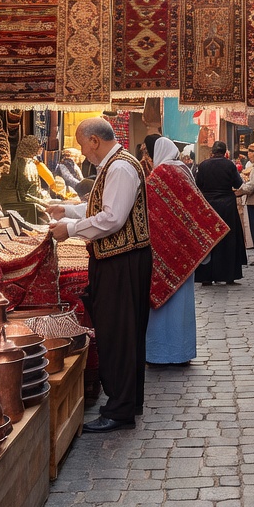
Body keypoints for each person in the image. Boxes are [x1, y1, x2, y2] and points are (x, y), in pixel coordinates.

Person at [47, 118, 151, 433]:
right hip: (122, 258)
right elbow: (102, 207)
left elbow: (112, 218)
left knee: (117, 334)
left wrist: (70, 229)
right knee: (124, 332)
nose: (82, 152)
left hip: (121, 260)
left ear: (94, 141)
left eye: (82, 144)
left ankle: (119, 410)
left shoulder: (118, 168)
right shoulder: (116, 165)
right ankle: (126, 402)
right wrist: (68, 211)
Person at [145, 137, 228, 365]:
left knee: (160, 312)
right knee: (181, 308)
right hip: (184, 250)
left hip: (161, 252)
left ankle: (157, 354)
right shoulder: (183, 171)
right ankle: (180, 354)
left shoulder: (160, 175)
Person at [195, 142, 244, 285]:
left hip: (209, 205)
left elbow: (198, 185)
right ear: (224, 152)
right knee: (228, 240)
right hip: (227, 205)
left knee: (208, 239)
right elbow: (238, 184)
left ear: (212, 151)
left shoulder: (203, 165)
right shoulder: (229, 165)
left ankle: (206, 276)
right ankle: (228, 275)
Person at [0, 135, 52, 223]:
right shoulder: (20, 165)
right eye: (39, 147)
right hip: (10, 202)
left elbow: (33, 189)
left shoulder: (30, 162)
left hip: (27, 199)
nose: (41, 149)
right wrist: (43, 203)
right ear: (31, 147)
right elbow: (22, 195)